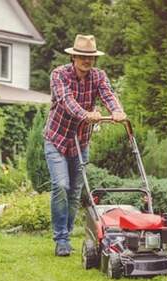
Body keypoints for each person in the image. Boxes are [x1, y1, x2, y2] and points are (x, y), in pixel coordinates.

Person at [44, 34, 127, 257]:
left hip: (81, 141)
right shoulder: (59, 75)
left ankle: (67, 236)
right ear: (74, 57)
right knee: (61, 186)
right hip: (57, 140)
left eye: (90, 57)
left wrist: (116, 111)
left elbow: (108, 94)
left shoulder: (98, 76)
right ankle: (60, 238)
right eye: (82, 56)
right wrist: (86, 114)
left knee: (74, 192)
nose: (86, 60)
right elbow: (66, 101)